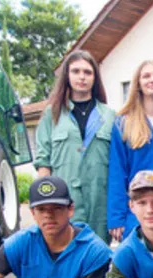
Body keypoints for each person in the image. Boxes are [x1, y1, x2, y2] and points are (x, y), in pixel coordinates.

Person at [34, 50, 116, 243]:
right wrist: (45, 203)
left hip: (100, 206)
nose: (82, 77)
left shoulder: (110, 116)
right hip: (65, 205)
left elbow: (118, 165)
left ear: (95, 78)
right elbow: (44, 163)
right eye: (76, 71)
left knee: (99, 262)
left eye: (88, 72)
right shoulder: (52, 114)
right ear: (67, 76)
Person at [108, 60, 153, 243]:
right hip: (137, 213)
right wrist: (117, 217)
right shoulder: (123, 124)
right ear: (138, 84)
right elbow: (117, 173)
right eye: (146, 76)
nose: (152, 79)